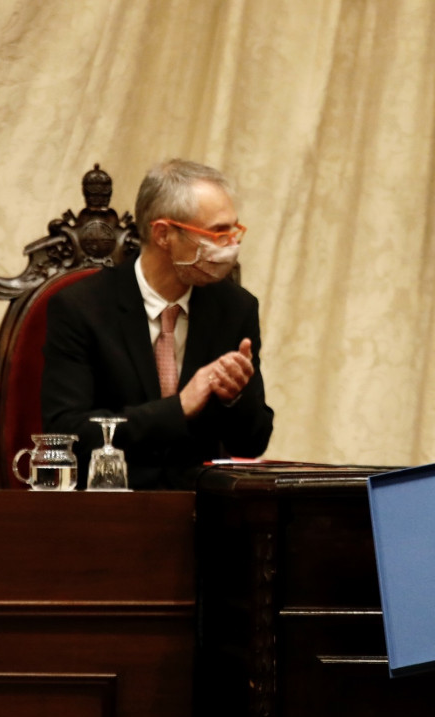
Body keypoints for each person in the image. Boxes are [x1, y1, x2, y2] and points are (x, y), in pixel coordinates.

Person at [42, 160, 273, 489]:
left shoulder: (234, 308)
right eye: (218, 233)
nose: (231, 246)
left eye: (233, 231)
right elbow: (66, 435)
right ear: (164, 234)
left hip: (204, 515)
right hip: (111, 509)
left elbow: (252, 444)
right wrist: (178, 408)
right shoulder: (81, 308)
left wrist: (235, 397)